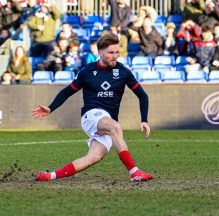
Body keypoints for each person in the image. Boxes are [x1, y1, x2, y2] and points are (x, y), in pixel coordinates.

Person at [32, 33, 153, 182]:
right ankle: (134, 172)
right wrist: (51, 108)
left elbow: (143, 95)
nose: (115, 56)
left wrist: (144, 119)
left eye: (117, 52)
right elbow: (67, 91)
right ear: (100, 51)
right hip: (91, 115)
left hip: (107, 120)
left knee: (93, 157)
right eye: (110, 52)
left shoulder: (123, 72)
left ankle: (49, 176)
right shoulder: (87, 71)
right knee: (115, 127)